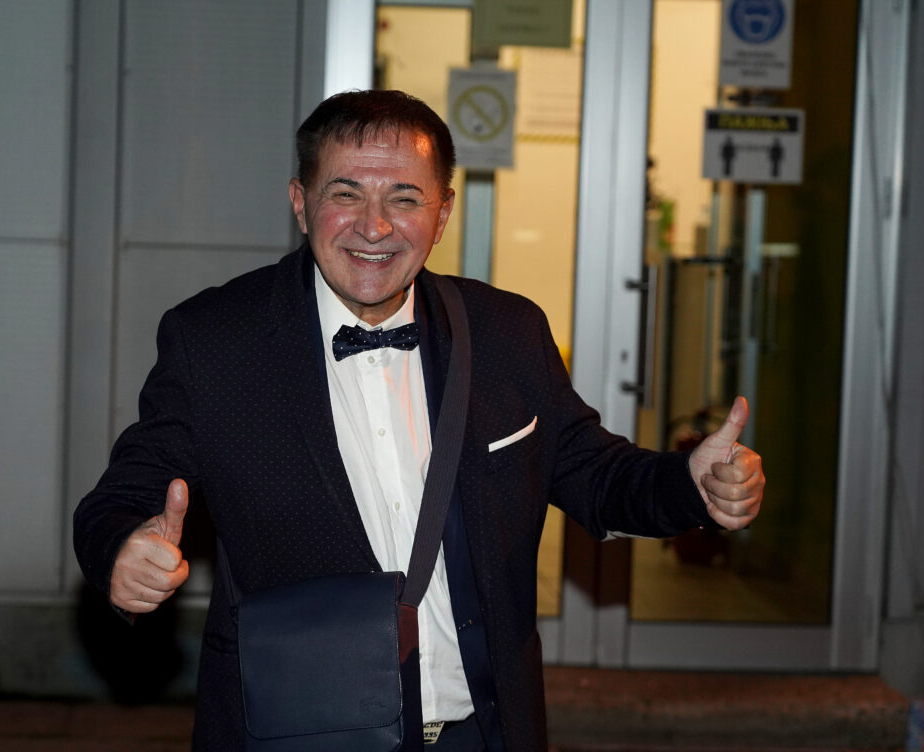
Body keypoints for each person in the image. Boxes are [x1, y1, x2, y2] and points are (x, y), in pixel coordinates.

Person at [74, 89, 764, 751]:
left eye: (404, 198)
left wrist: (691, 483)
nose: (374, 227)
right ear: (301, 203)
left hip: (483, 731)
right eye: (346, 194)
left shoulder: (506, 332)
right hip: (301, 732)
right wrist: (123, 549)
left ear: (443, 214)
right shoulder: (217, 340)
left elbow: (594, 472)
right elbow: (123, 496)